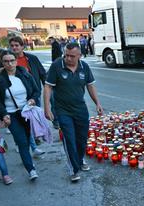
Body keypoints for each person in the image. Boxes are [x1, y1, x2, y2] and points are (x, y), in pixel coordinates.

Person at [44, 43, 103, 182]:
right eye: (66, 55)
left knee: (82, 138)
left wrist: (98, 103)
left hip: (80, 109)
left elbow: (90, 85)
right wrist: (46, 108)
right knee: (69, 139)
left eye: (72, 56)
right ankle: (74, 169)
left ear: (79, 56)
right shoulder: (57, 65)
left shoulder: (84, 67)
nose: (68, 58)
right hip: (63, 110)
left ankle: (80, 159)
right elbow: (48, 87)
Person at [0, 51, 40, 181]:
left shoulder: (24, 74)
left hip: (26, 112)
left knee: (28, 139)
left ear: (16, 61)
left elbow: (36, 91)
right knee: (22, 141)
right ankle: (31, 169)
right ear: (2, 63)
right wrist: (4, 114)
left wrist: (33, 100)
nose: (9, 63)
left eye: (12, 60)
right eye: (6, 61)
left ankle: (27, 159)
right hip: (11, 115)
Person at [9, 36, 46, 155]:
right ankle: (20, 143)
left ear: (22, 47)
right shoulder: (8, 60)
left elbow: (42, 73)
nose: (14, 48)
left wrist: (48, 86)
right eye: (12, 46)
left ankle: (34, 141)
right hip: (16, 98)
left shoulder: (31, 58)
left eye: (16, 45)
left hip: (33, 94)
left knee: (34, 120)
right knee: (20, 123)